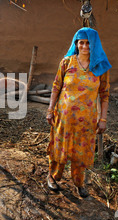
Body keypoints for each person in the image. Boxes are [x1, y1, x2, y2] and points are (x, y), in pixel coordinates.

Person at [46, 27, 111, 198]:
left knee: (81, 151)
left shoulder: (101, 67)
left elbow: (104, 94)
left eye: (88, 43)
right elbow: (56, 87)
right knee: (60, 147)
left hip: (87, 120)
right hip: (64, 117)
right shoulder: (66, 62)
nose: (85, 46)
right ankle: (54, 177)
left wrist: (103, 119)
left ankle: (79, 182)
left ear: (94, 44)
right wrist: (50, 109)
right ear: (76, 44)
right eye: (81, 42)